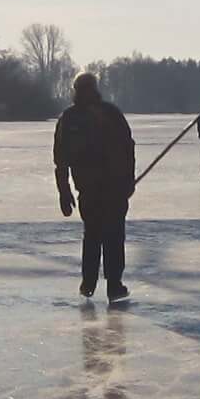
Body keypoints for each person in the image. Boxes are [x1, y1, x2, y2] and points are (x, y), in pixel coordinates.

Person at [53, 71, 137, 301]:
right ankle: (108, 284)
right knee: (109, 235)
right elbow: (128, 150)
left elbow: (61, 160)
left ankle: (94, 283)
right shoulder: (107, 114)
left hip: (102, 189)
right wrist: (64, 191)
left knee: (96, 235)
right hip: (105, 189)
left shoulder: (71, 118)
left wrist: (64, 190)